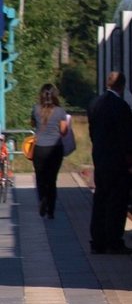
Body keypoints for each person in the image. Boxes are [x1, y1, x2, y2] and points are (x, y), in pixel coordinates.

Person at [87, 71, 132, 254]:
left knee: (100, 200)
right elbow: (128, 137)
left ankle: (98, 241)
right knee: (117, 203)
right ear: (123, 86)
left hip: (101, 160)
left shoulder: (95, 104)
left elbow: (93, 133)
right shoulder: (121, 106)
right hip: (118, 163)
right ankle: (114, 241)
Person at [30, 83, 71, 219]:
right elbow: (64, 132)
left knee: (40, 179)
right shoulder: (60, 111)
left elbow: (33, 124)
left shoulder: (35, 109)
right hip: (55, 149)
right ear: (55, 95)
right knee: (52, 180)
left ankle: (43, 200)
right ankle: (51, 211)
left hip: (39, 149)